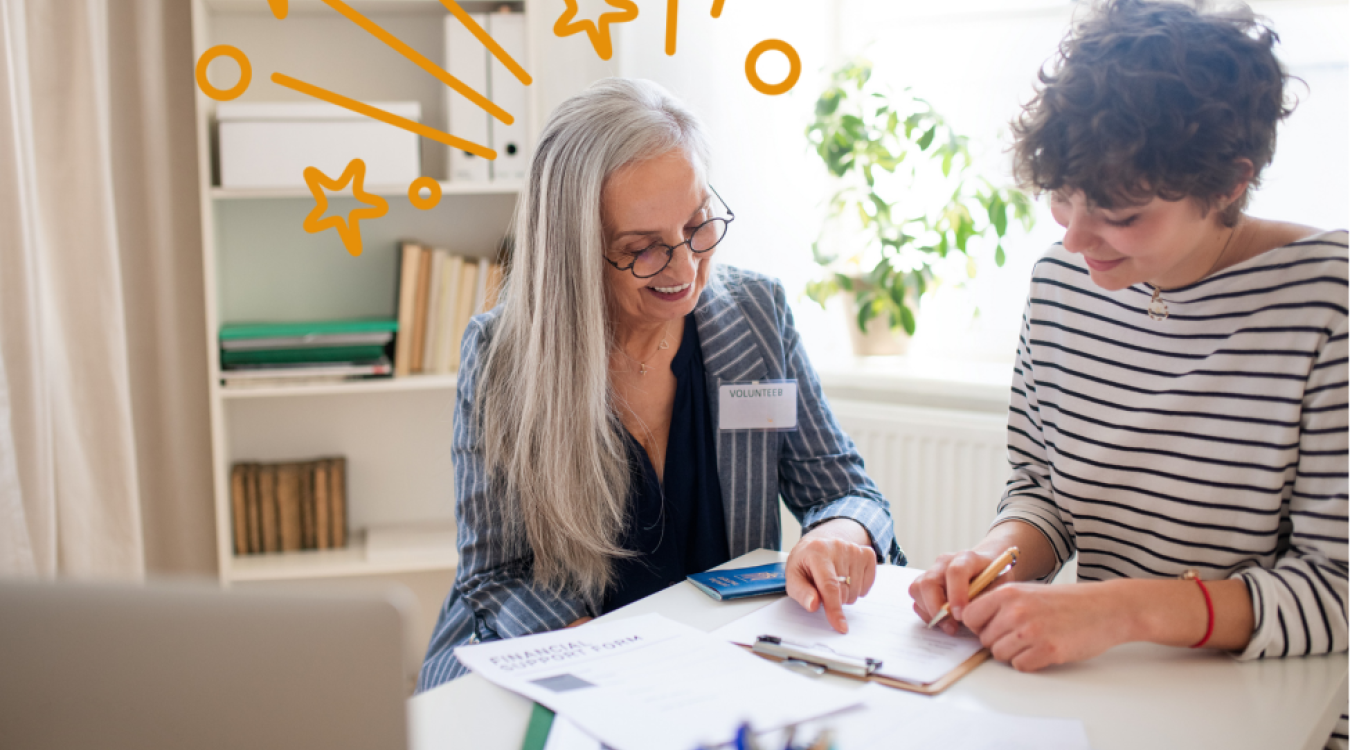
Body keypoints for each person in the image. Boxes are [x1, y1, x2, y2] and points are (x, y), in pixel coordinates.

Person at [907, 1, 1347, 747]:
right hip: (1109, 701)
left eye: (1122, 213)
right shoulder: (1060, 282)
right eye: (1062, 197)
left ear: (1229, 182)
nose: (1076, 237)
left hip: (1277, 715)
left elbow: (1337, 591)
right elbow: (1044, 492)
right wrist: (996, 558)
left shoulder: (1328, 303)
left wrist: (1121, 610)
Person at [418, 79, 904, 690]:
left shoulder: (756, 314)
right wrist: (605, 661)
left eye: (698, 225)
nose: (685, 268)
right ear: (575, 250)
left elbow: (848, 491)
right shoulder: (503, 357)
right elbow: (494, 576)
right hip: (562, 661)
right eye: (643, 249)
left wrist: (838, 534)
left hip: (718, 668)